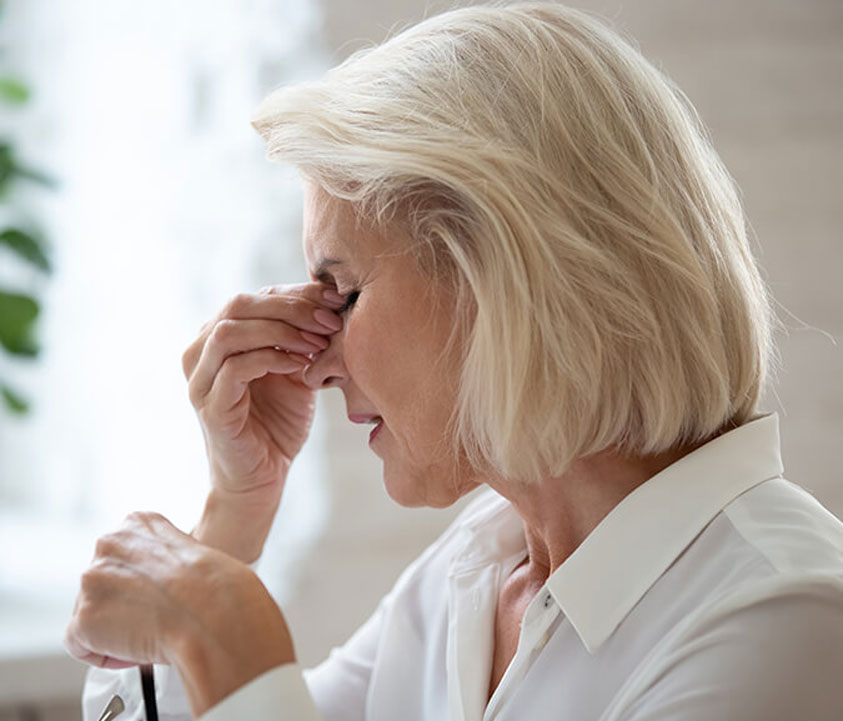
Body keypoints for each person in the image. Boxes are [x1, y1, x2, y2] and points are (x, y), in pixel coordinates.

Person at [66, 3, 843, 720]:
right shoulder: (473, 571)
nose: (316, 360)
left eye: (342, 291)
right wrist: (233, 518)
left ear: (495, 280)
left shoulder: (786, 618)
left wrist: (224, 632)